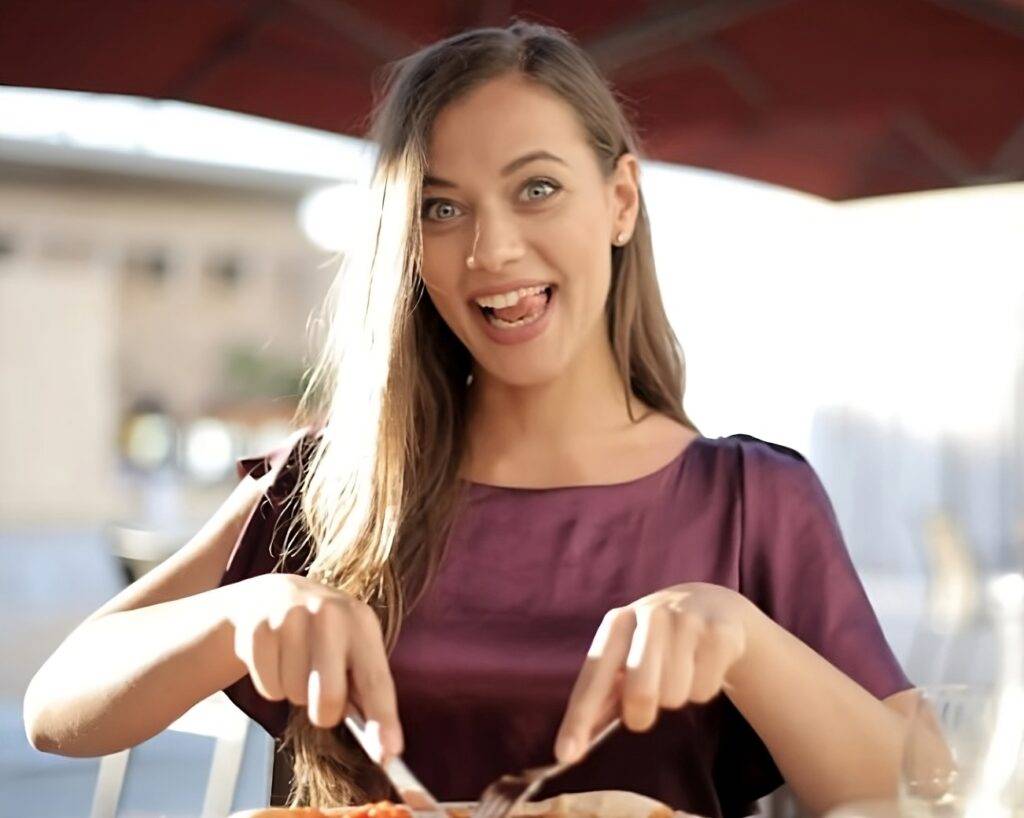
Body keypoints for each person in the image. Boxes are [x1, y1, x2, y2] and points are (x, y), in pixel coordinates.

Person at [23, 20, 917, 818]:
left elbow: (920, 793)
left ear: (620, 200)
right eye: (441, 208)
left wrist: (746, 639)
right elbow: (56, 712)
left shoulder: (753, 498)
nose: (491, 250)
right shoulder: (332, 487)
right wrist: (236, 615)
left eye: (537, 189)